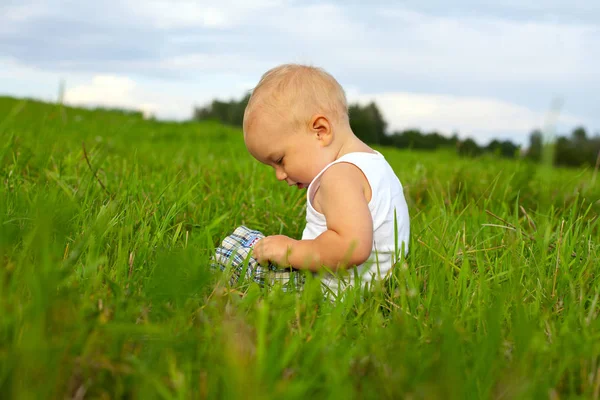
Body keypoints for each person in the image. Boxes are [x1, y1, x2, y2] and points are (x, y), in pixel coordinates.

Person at [243, 63, 410, 293]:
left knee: (240, 248)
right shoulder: (375, 164)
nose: (279, 175)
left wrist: (290, 250)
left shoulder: (338, 177)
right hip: (373, 288)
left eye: (280, 160)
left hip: (331, 292)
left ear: (320, 131)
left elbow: (351, 247)